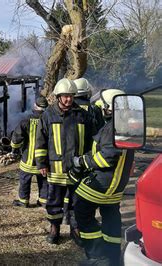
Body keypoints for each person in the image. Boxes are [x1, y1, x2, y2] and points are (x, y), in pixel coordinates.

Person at [70, 89, 134, 266]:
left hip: (105, 183)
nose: (100, 111)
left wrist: (81, 161)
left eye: (101, 108)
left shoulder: (111, 128)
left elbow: (107, 157)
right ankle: (112, 255)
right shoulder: (125, 124)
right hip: (117, 184)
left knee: (81, 210)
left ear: (108, 108)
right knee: (111, 215)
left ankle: (97, 255)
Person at [34, 78, 95, 244]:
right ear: (58, 96)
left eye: (71, 96)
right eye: (65, 96)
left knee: (76, 201)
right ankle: (55, 228)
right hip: (56, 169)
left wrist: (88, 162)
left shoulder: (82, 115)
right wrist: (42, 163)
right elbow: (41, 141)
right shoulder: (48, 115)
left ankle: (75, 229)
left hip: (77, 169)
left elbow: (90, 142)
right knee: (54, 201)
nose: (68, 99)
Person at [11, 96, 49, 208]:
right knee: (43, 181)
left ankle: (23, 201)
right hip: (43, 160)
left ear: (35, 106)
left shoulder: (26, 121)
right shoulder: (49, 120)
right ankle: (43, 200)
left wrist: (14, 148)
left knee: (24, 180)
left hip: (28, 159)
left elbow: (16, 138)